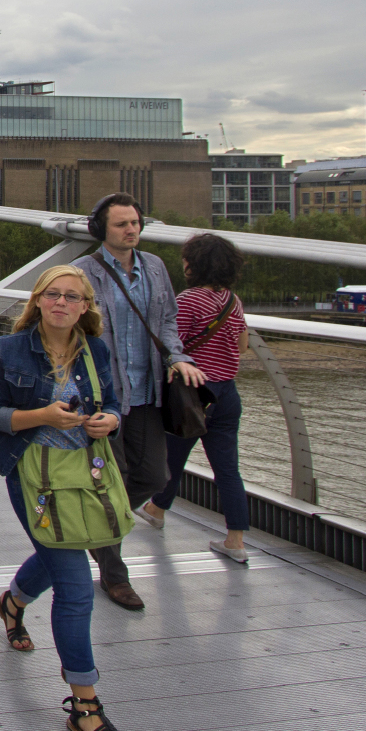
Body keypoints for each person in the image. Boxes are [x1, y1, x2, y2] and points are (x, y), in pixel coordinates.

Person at [0, 265, 134, 731]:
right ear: (38, 301)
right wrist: (41, 416)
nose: (62, 303)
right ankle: (85, 705)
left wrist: (111, 420)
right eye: (53, 295)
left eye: (73, 297)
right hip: (32, 474)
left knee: (58, 554)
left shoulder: (95, 350)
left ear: (86, 307)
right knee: (74, 581)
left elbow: (114, 404)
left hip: (83, 473)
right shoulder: (8, 350)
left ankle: (13, 602)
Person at [70, 193, 205, 611]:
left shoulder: (156, 267)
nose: (131, 230)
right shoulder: (83, 271)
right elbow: (73, 329)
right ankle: (115, 575)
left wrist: (178, 357)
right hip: (105, 395)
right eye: (121, 224)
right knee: (113, 479)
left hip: (147, 391)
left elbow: (166, 320)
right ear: (100, 230)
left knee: (152, 477)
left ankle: (96, 531)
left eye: (135, 223)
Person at [139, 234, 251, 561]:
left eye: (187, 258)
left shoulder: (188, 300)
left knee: (172, 456)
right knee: (228, 469)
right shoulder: (233, 301)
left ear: (195, 264)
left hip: (193, 393)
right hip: (227, 394)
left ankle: (157, 510)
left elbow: (172, 344)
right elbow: (242, 346)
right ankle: (235, 540)